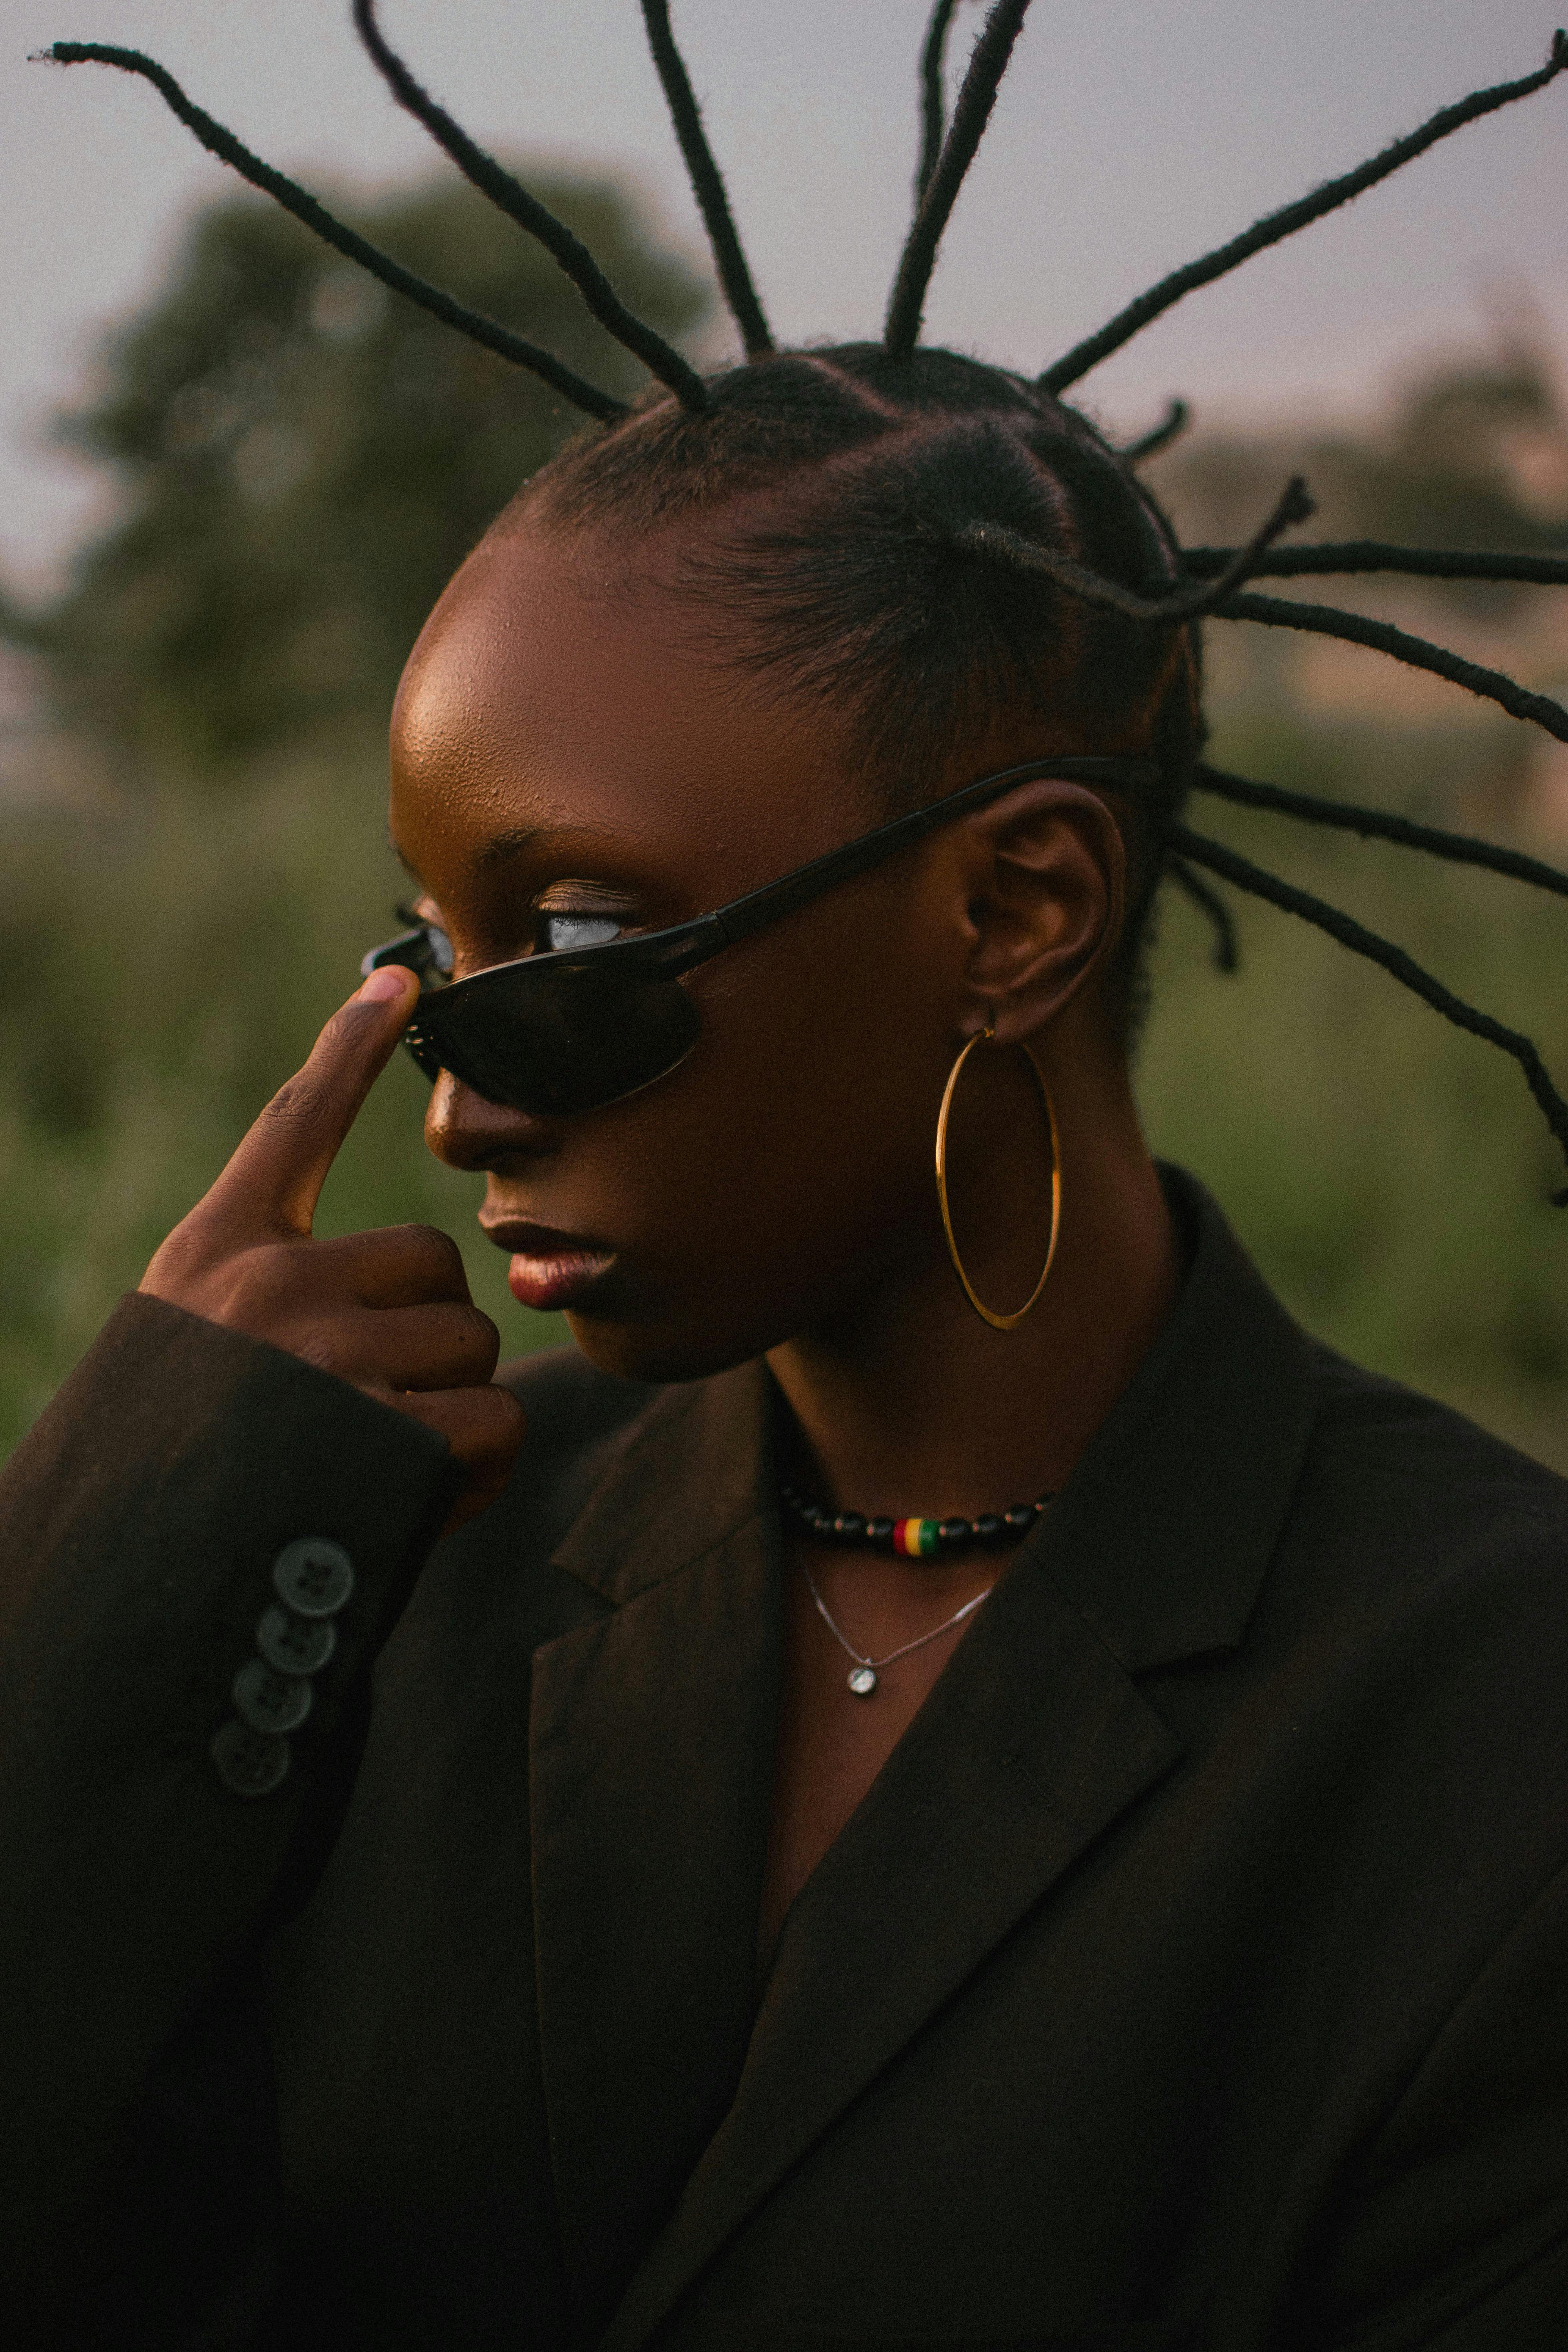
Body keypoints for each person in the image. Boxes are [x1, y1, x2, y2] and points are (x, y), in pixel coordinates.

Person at [4, 5, 1568, 2345]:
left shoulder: (1492, 1727)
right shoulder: (375, 1574)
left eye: (577, 948)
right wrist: (102, 1589)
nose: (456, 1105)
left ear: (1017, 912)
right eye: (427, 953)